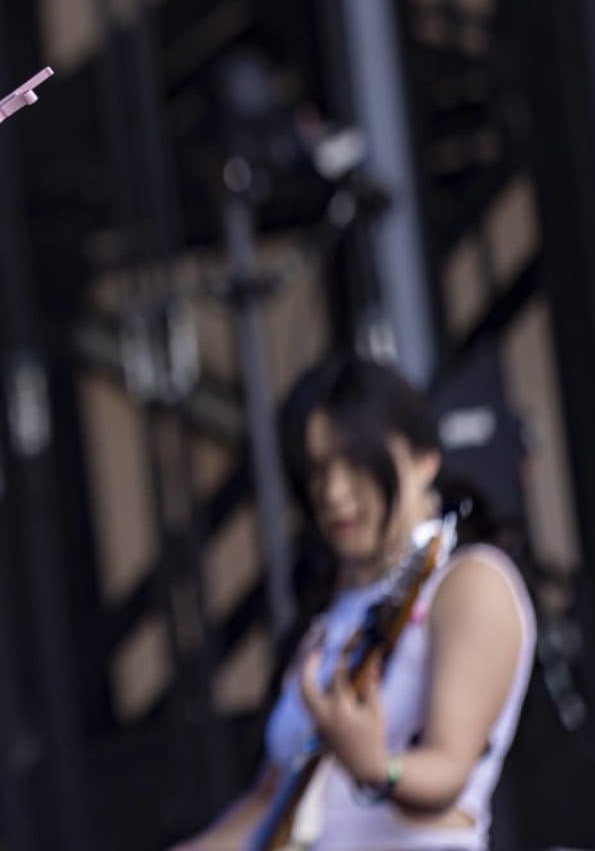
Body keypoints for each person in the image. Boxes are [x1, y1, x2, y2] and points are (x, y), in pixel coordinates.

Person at [172, 354, 535, 851]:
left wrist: (375, 767)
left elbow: (450, 770)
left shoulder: (469, 583)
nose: (335, 492)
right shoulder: (331, 613)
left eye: (358, 464)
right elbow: (270, 804)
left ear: (424, 458)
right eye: (317, 470)